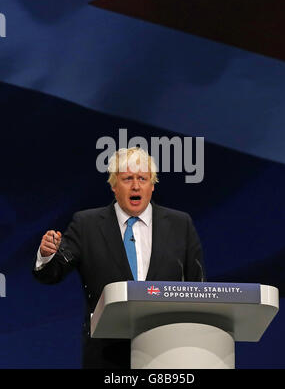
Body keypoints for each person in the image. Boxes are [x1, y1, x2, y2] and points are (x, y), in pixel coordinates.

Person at [33, 147, 205, 369]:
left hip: (167, 354)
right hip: (106, 356)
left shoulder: (181, 224)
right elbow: (51, 274)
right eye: (127, 179)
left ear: (152, 186)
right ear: (114, 185)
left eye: (143, 178)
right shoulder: (87, 224)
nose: (136, 185)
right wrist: (46, 255)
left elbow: (198, 287)